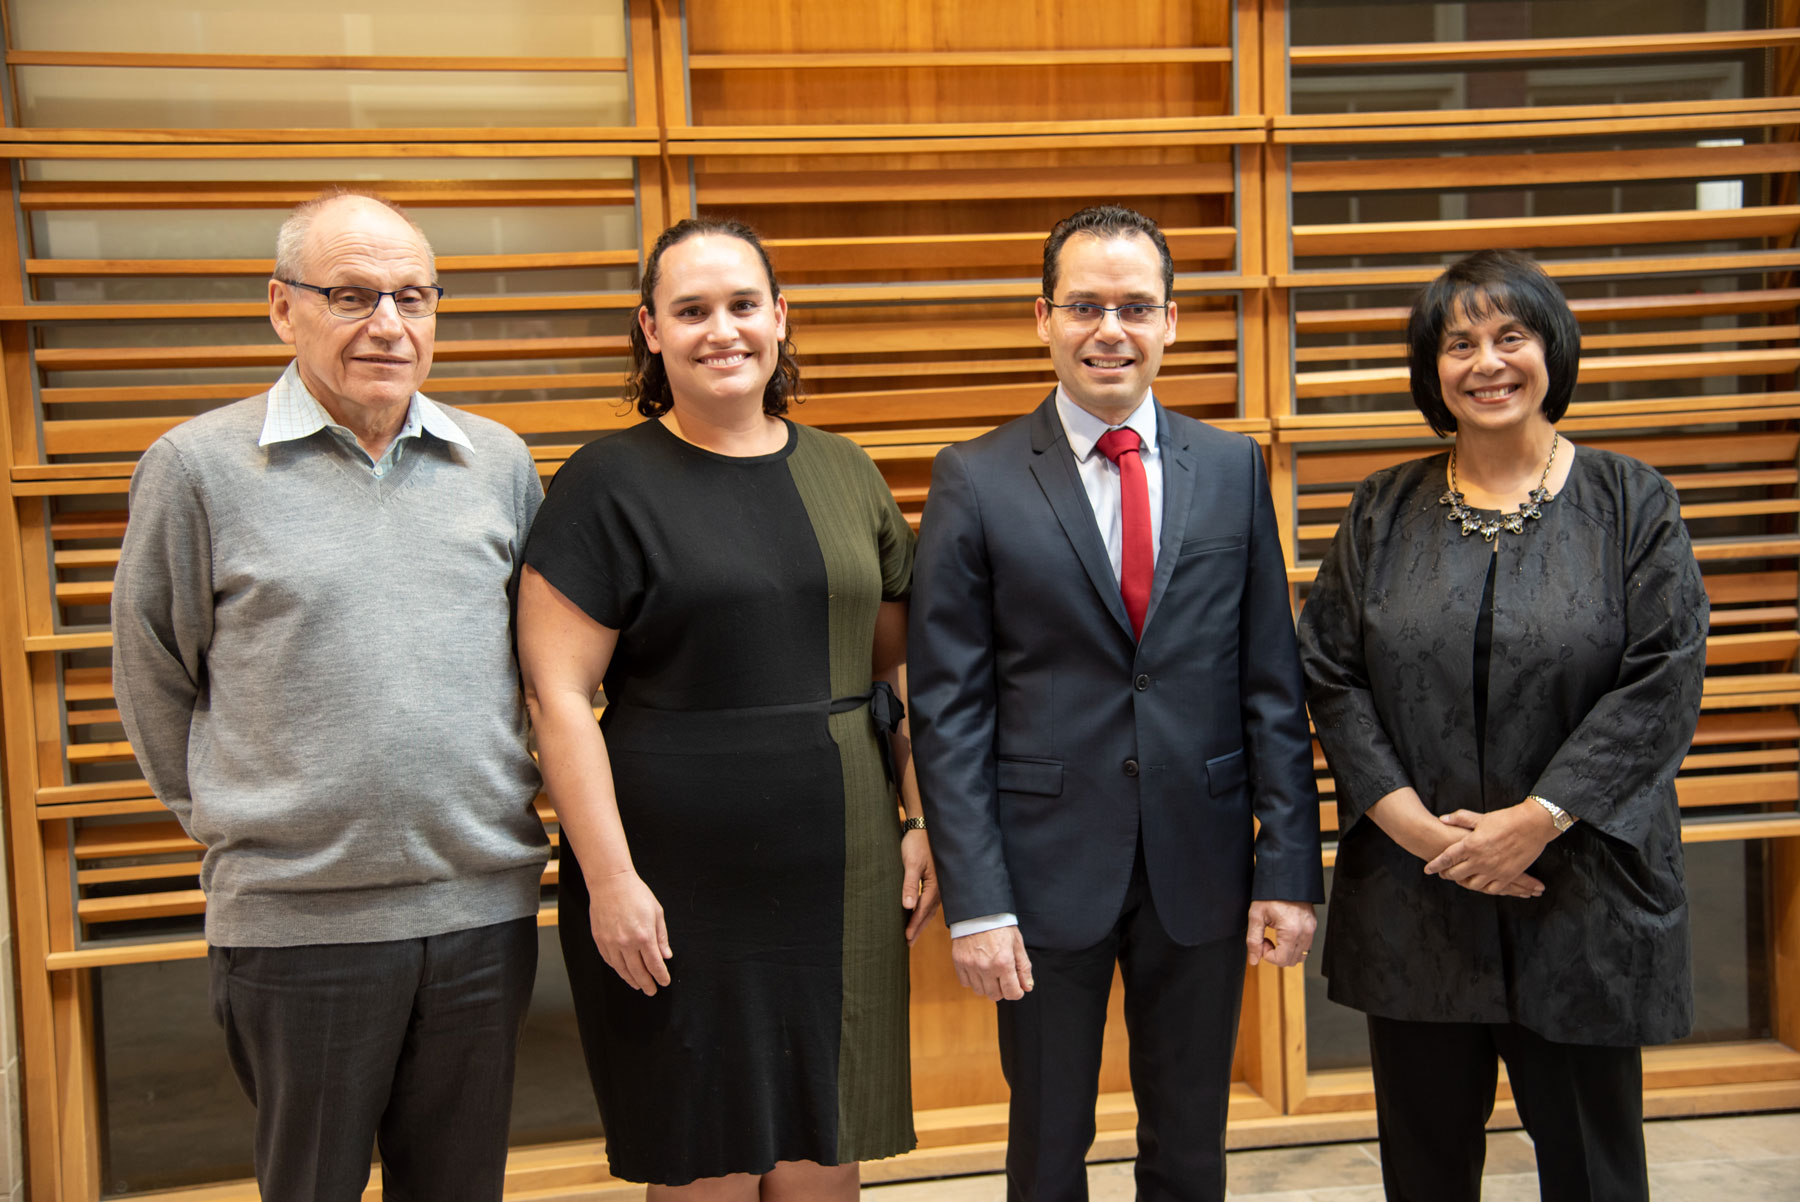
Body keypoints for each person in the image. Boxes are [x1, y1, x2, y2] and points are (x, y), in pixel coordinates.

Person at [111, 190, 549, 1201]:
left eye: (413, 296)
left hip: (480, 912)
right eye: (352, 296)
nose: (388, 325)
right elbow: (152, 674)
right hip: (297, 923)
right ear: (282, 307)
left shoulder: (499, 465)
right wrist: (253, 823)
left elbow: (540, 669)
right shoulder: (197, 467)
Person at [906, 204, 1324, 1202]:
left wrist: (1292, 867)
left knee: (1190, 1142)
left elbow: (1270, 678)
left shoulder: (1231, 468)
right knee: (1048, 1144)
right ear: (1041, 316)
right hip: (1043, 872)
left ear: (1172, 321)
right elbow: (948, 704)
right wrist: (979, 898)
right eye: (1085, 304)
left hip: (1204, 861)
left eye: (1135, 306)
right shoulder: (976, 476)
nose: (1111, 329)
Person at [516, 217, 936, 1199]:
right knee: (703, 1157)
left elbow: (903, 670)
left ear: (780, 318)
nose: (723, 329)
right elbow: (561, 697)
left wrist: (920, 815)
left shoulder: (845, 471)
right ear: (650, 330)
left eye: (744, 305)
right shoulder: (605, 483)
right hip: (671, 879)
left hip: (842, 865)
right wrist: (608, 876)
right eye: (692, 309)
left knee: (824, 1152)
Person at [1297, 249, 1708, 1202]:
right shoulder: (1383, 507)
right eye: (1460, 343)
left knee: (1594, 1170)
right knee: (1426, 1170)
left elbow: (1663, 679)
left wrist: (1539, 818)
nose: (1487, 362)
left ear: (1550, 351)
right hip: (1416, 893)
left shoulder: (1628, 500)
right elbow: (1330, 669)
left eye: (1510, 336)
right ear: (1431, 372)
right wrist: (1414, 828)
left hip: (1581, 889)